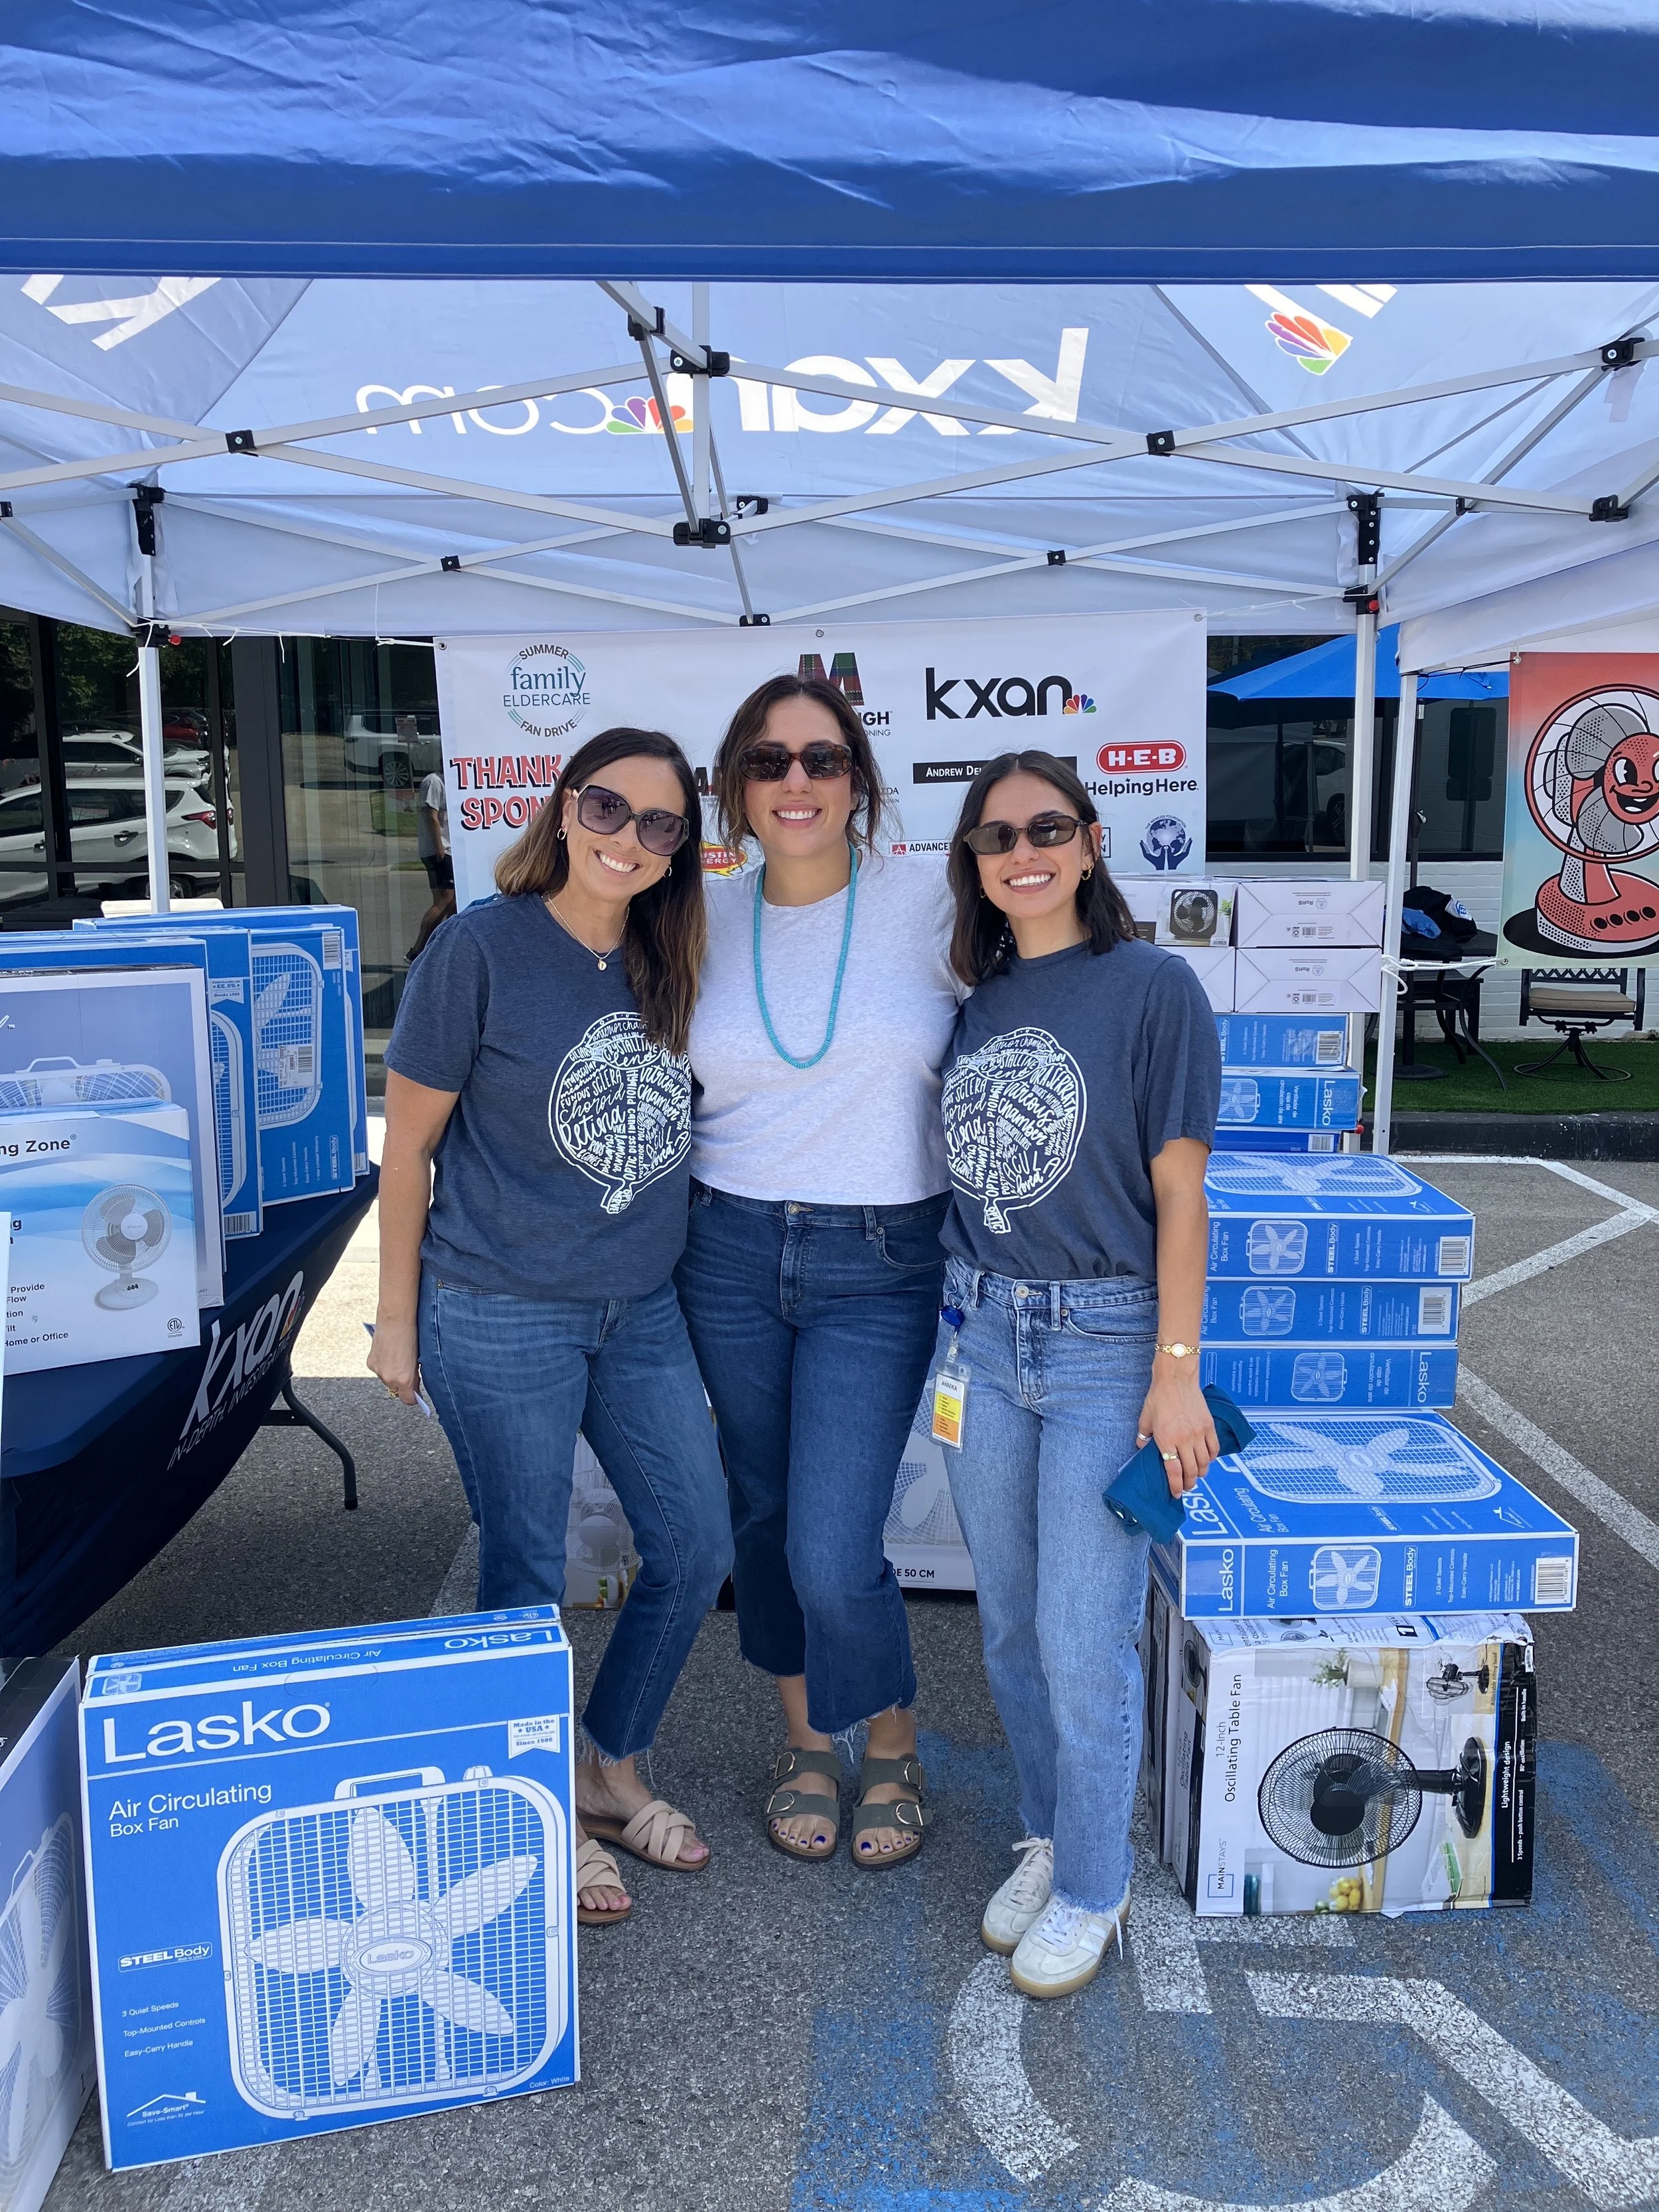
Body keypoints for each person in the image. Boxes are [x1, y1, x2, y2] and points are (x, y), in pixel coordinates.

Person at [371, 727, 733, 1929]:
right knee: (525, 1571)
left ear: (685, 846)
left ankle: (607, 1767)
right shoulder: (479, 946)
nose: (630, 838)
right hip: (498, 1308)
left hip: (642, 1309)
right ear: (564, 806)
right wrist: (393, 1318)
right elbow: (410, 1152)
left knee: (694, 1540)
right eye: (609, 808)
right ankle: (535, 1807)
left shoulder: (671, 958)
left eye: (662, 824)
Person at [934, 749, 1220, 1997]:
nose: (1024, 851)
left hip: (1110, 1344)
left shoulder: (1154, 987)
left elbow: (1181, 1193)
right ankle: (1055, 1833)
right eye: (997, 837)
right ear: (977, 865)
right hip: (984, 1337)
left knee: (1080, 1633)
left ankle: (1097, 1885)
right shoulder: (977, 1000)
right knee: (1006, 1625)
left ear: (1093, 843)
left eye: (1047, 827)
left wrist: (1177, 1369)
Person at [674, 674, 960, 1867]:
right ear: (737, 787)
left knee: (833, 1544)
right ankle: (805, 1741)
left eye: (824, 759)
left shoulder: (935, 902)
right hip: (726, 1245)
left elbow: (1050, 1005)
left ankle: (889, 1744)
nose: (798, 780)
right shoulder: (689, 912)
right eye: (771, 760)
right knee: (766, 1513)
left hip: (881, 1256)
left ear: (859, 782)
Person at [409, 769, 455, 959]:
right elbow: (431, 816)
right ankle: (418, 950)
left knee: (455, 905)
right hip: (440, 851)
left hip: (450, 850)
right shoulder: (434, 781)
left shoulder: (453, 779)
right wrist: (439, 848)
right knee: (445, 900)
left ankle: (444, 949)